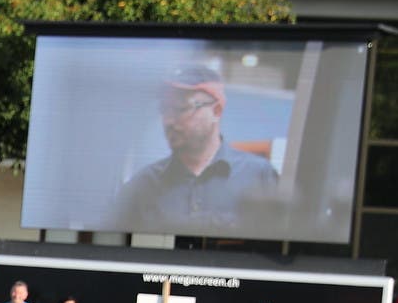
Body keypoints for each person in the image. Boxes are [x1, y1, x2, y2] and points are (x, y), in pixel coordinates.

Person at [112, 63, 279, 234]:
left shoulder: (259, 177)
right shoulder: (142, 186)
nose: (168, 120)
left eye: (180, 108)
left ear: (216, 111)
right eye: (164, 109)